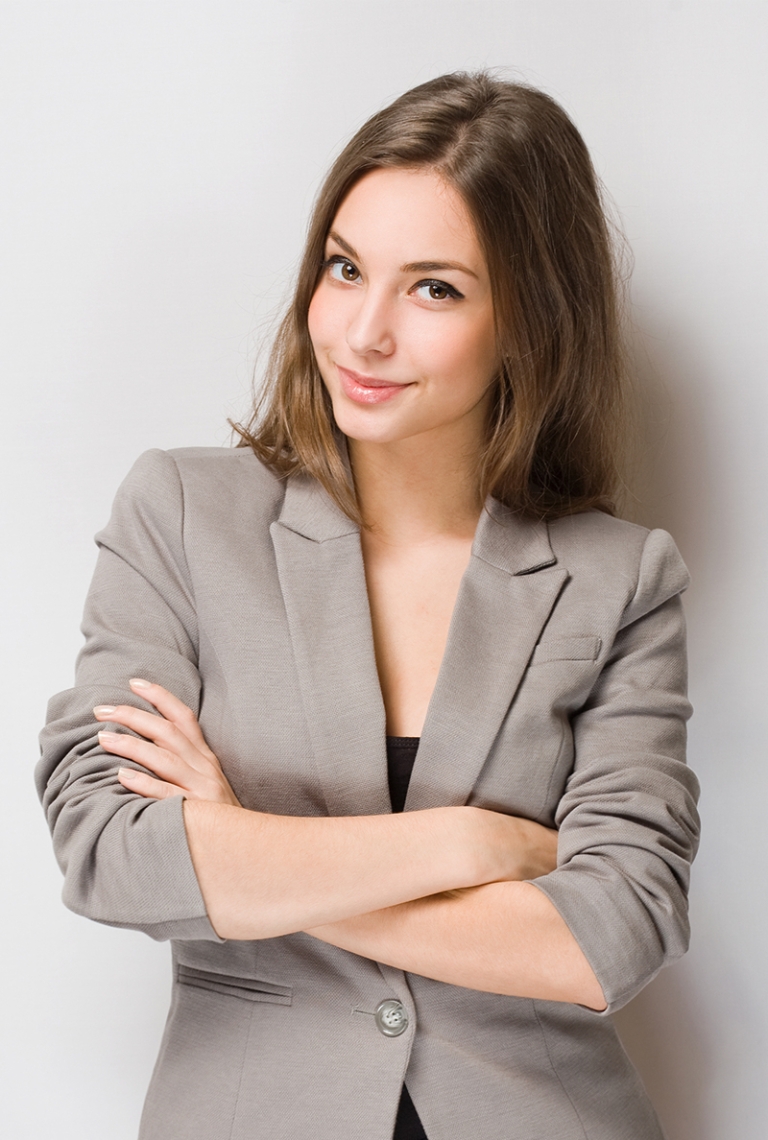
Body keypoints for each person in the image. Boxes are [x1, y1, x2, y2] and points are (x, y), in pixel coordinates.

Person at [37, 72, 700, 1140]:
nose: (363, 333)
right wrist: (467, 845)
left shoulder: (618, 579)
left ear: (529, 321)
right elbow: (111, 851)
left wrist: (243, 847)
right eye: (345, 269)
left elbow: (612, 936)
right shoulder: (183, 515)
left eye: (434, 289)